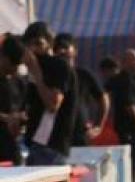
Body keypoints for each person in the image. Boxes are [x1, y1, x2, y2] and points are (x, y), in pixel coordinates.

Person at [21, 22, 79, 165]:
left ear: (49, 43)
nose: (33, 49)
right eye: (29, 45)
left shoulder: (58, 66)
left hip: (50, 145)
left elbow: (53, 104)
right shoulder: (38, 69)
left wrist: (36, 72)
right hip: (37, 144)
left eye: (38, 43)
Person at [53, 33, 108, 146]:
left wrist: (98, 126)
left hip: (80, 134)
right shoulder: (50, 76)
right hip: (56, 135)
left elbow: (104, 99)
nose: (62, 51)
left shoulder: (83, 74)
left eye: (65, 47)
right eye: (58, 48)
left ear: (74, 51)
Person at [107, 52, 135, 166]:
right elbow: (130, 105)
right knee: (131, 160)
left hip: (133, 128)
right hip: (129, 127)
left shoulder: (134, 79)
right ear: (126, 62)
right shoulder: (125, 81)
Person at [0, 36, 27, 164]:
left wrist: (20, 117)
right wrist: (6, 118)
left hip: (12, 145)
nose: (16, 68)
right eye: (14, 63)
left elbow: (25, 107)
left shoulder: (18, 82)